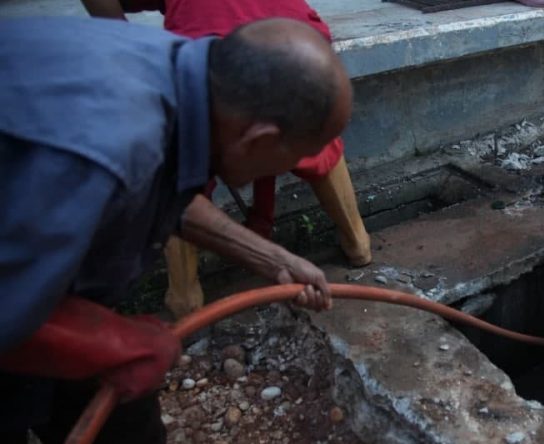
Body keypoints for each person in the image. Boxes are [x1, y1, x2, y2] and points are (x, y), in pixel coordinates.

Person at [0, 16, 349, 443]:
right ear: (259, 140)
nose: (293, 172)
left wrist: (270, 257)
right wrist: (117, 340)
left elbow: (156, 188)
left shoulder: (176, 78)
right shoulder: (101, 150)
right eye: (298, 157)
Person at [82, 0, 373, 319]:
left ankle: (184, 301)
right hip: (273, 37)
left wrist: (274, 260)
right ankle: (357, 243)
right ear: (256, 139)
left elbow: (172, 200)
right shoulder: (124, 135)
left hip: (271, 41)